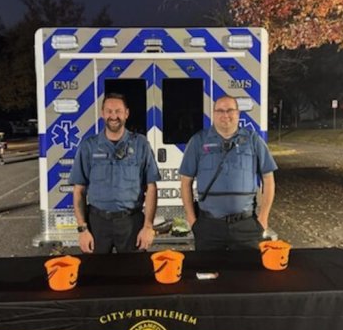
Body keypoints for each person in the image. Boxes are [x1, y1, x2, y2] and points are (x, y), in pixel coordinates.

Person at [179, 95, 277, 251]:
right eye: (220, 111)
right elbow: (185, 182)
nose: (225, 115)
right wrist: (192, 220)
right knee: (208, 273)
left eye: (230, 110)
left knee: (247, 274)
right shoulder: (198, 141)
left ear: (238, 114)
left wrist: (263, 218)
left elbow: (268, 178)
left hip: (246, 226)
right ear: (213, 114)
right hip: (209, 227)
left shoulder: (252, 140)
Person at [69, 93, 161, 254]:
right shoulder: (89, 146)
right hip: (97, 223)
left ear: (126, 113)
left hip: (131, 223)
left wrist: (147, 227)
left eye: (118, 111)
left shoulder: (141, 144)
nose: (113, 116)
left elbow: (151, 187)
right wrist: (82, 229)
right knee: (97, 276)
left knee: (132, 274)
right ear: (102, 113)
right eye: (109, 111)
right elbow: (79, 190)